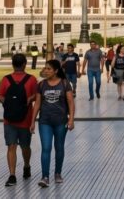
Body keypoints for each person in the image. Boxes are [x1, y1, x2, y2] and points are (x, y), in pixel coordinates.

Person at [30, 60, 74, 188]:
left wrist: (71, 119)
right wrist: (32, 121)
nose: (46, 71)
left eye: (49, 69)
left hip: (61, 121)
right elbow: (37, 103)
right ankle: (45, 177)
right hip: (45, 121)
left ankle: (58, 173)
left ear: (56, 71)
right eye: (45, 68)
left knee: (59, 147)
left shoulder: (65, 84)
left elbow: (70, 102)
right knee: (46, 148)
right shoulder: (41, 84)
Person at [0, 53, 37, 187]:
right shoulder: (32, 79)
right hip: (25, 119)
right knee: (25, 146)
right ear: (25, 64)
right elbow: (36, 97)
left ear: (13, 64)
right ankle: (26, 166)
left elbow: (0, 97)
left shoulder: (6, 79)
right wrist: (29, 100)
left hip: (9, 119)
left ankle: (12, 175)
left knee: (11, 146)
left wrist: (8, 104)